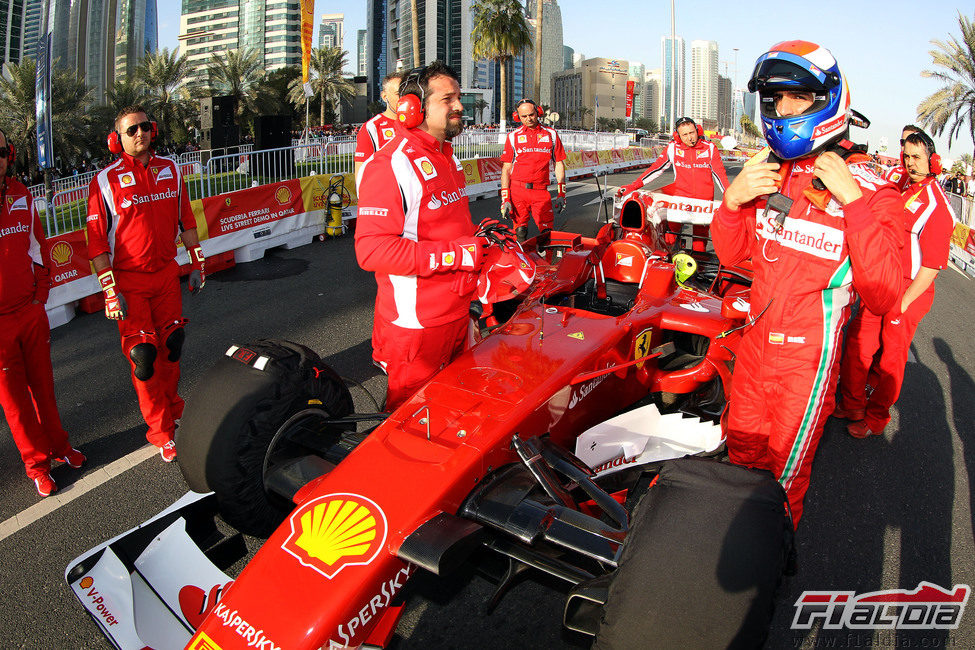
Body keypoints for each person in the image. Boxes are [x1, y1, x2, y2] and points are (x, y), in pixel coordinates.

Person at [709, 41, 902, 526]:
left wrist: (853, 204)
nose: (782, 110)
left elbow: (884, 294)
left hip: (806, 363)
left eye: (795, 98)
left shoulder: (872, 188)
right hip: (752, 349)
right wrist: (732, 203)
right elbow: (734, 258)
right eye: (774, 100)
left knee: (782, 484)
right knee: (739, 464)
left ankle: (769, 581)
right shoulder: (769, 170)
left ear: (826, 100)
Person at [355, 62, 488, 412]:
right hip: (418, 326)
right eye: (449, 99)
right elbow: (371, 250)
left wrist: (482, 237)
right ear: (415, 106)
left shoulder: (448, 157)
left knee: (453, 409)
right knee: (406, 423)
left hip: (459, 314)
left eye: (459, 97)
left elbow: (444, 226)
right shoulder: (391, 164)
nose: (460, 105)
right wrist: (458, 255)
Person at [86, 106, 205, 463]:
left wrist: (197, 262)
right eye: (131, 130)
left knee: (172, 345)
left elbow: (186, 219)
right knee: (144, 357)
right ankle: (160, 430)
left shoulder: (171, 170)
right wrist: (110, 291)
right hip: (130, 283)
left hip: (167, 275)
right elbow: (96, 243)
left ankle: (173, 405)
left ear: (152, 130)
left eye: (144, 127)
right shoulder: (104, 180)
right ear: (117, 140)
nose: (139, 134)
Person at [836, 131, 955, 438]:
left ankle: (876, 418)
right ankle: (852, 404)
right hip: (881, 279)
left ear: (934, 161)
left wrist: (903, 303)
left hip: (909, 290)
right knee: (860, 343)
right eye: (907, 156)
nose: (910, 163)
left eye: (917, 157)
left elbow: (931, 267)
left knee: (891, 359)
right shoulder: (898, 185)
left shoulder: (938, 206)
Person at [0, 129, 85, 496]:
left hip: (30, 313)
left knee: (44, 389)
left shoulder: (20, 193)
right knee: (16, 403)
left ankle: (59, 447)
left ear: (10, 154)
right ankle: (37, 465)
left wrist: (41, 295)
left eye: (1, 151)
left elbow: (38, 247)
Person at [616, 116, 729, 251]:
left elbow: (720, 175)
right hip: (679, 201)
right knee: (671, 235)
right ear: (678, 136)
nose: (690, 138)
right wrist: (633, 186)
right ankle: (667, 263)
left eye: (692, 133)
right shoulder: (673, 148)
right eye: (685, 135)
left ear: (698, 131)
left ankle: (698, 266)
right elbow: (655, 170)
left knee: (700, 240)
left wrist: (731, 197)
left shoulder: (710, 148)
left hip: (703, 203)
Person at [499, 98, 567, 242]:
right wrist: (505, 198)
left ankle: (546, 262)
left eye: (531, 114)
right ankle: (523, 262)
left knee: (547, 234)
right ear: (518, 117)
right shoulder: (513, 137)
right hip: (518, 191)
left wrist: (562, 193)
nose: (529, 119)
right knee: (520, 232)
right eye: (524, 116)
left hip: (541, 191)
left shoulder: (551, 134)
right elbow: (506, 168)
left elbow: (559, 163)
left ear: (538, 112)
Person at [354, 72, 404, 175]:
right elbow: (360, 176)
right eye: (398, 93)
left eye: (407, 93)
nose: (403, 98)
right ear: (384, 96)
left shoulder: (419, 124)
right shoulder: (371, 128)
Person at [884, 124, 922, 192]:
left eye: (909, 142)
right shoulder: (891, 172)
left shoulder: (924, 178)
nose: (904, 146)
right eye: (903, 142)